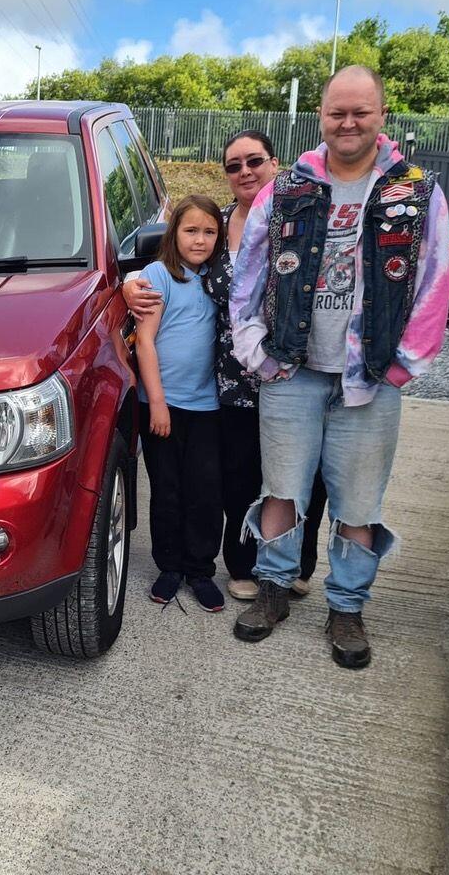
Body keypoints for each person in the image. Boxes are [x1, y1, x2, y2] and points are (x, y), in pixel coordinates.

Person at [229, 65, 449, 668]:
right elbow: (247, 273)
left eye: (360, 111)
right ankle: (273, 590)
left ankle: (347, 606)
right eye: (336, 112)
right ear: (321, 116)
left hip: (371, 377)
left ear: (382, 113)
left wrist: (406, 365)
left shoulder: (415, 191)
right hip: (292, 369)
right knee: (281, 488)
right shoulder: (287, 190)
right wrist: (253, 348)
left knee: (358, 502)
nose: (347, 122)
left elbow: (435, 281)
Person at [124, 130, 328, 602]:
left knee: (301, 475)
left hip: (297, 377)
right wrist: (128, 284)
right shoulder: (217, 225)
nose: (245, 172)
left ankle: (293, 564)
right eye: (233, 165)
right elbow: (166, 278)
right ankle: (234, 565)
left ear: (275, 163)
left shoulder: (305, 214)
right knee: (227, 481)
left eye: (254, 161)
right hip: (229, 387)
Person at [134, 194, 226, 612]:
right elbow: (146, 343)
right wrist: (157, 403)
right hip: (162, 406)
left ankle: (200, 570)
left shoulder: (218, 278)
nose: (200, 239)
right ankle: (169, 567)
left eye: (209, 231)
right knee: (167, 490)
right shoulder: (159, 275)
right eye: (191, 230)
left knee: (205, 491)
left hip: (206, 406)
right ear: (174, 233)